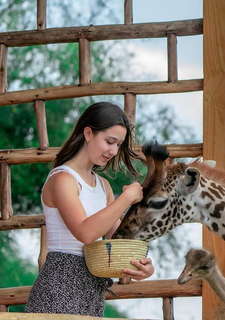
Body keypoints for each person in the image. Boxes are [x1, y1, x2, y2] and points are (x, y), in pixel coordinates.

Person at [25, 102, 154, 316]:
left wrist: (143, 266)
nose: (114, 151)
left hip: (92, 290)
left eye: (119, 145)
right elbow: (85, 233)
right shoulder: (63, 179)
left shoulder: (103, 186)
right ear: (88, 133)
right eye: (110, 142)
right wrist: (125, 199)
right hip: (60, 287)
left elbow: (118, 242)